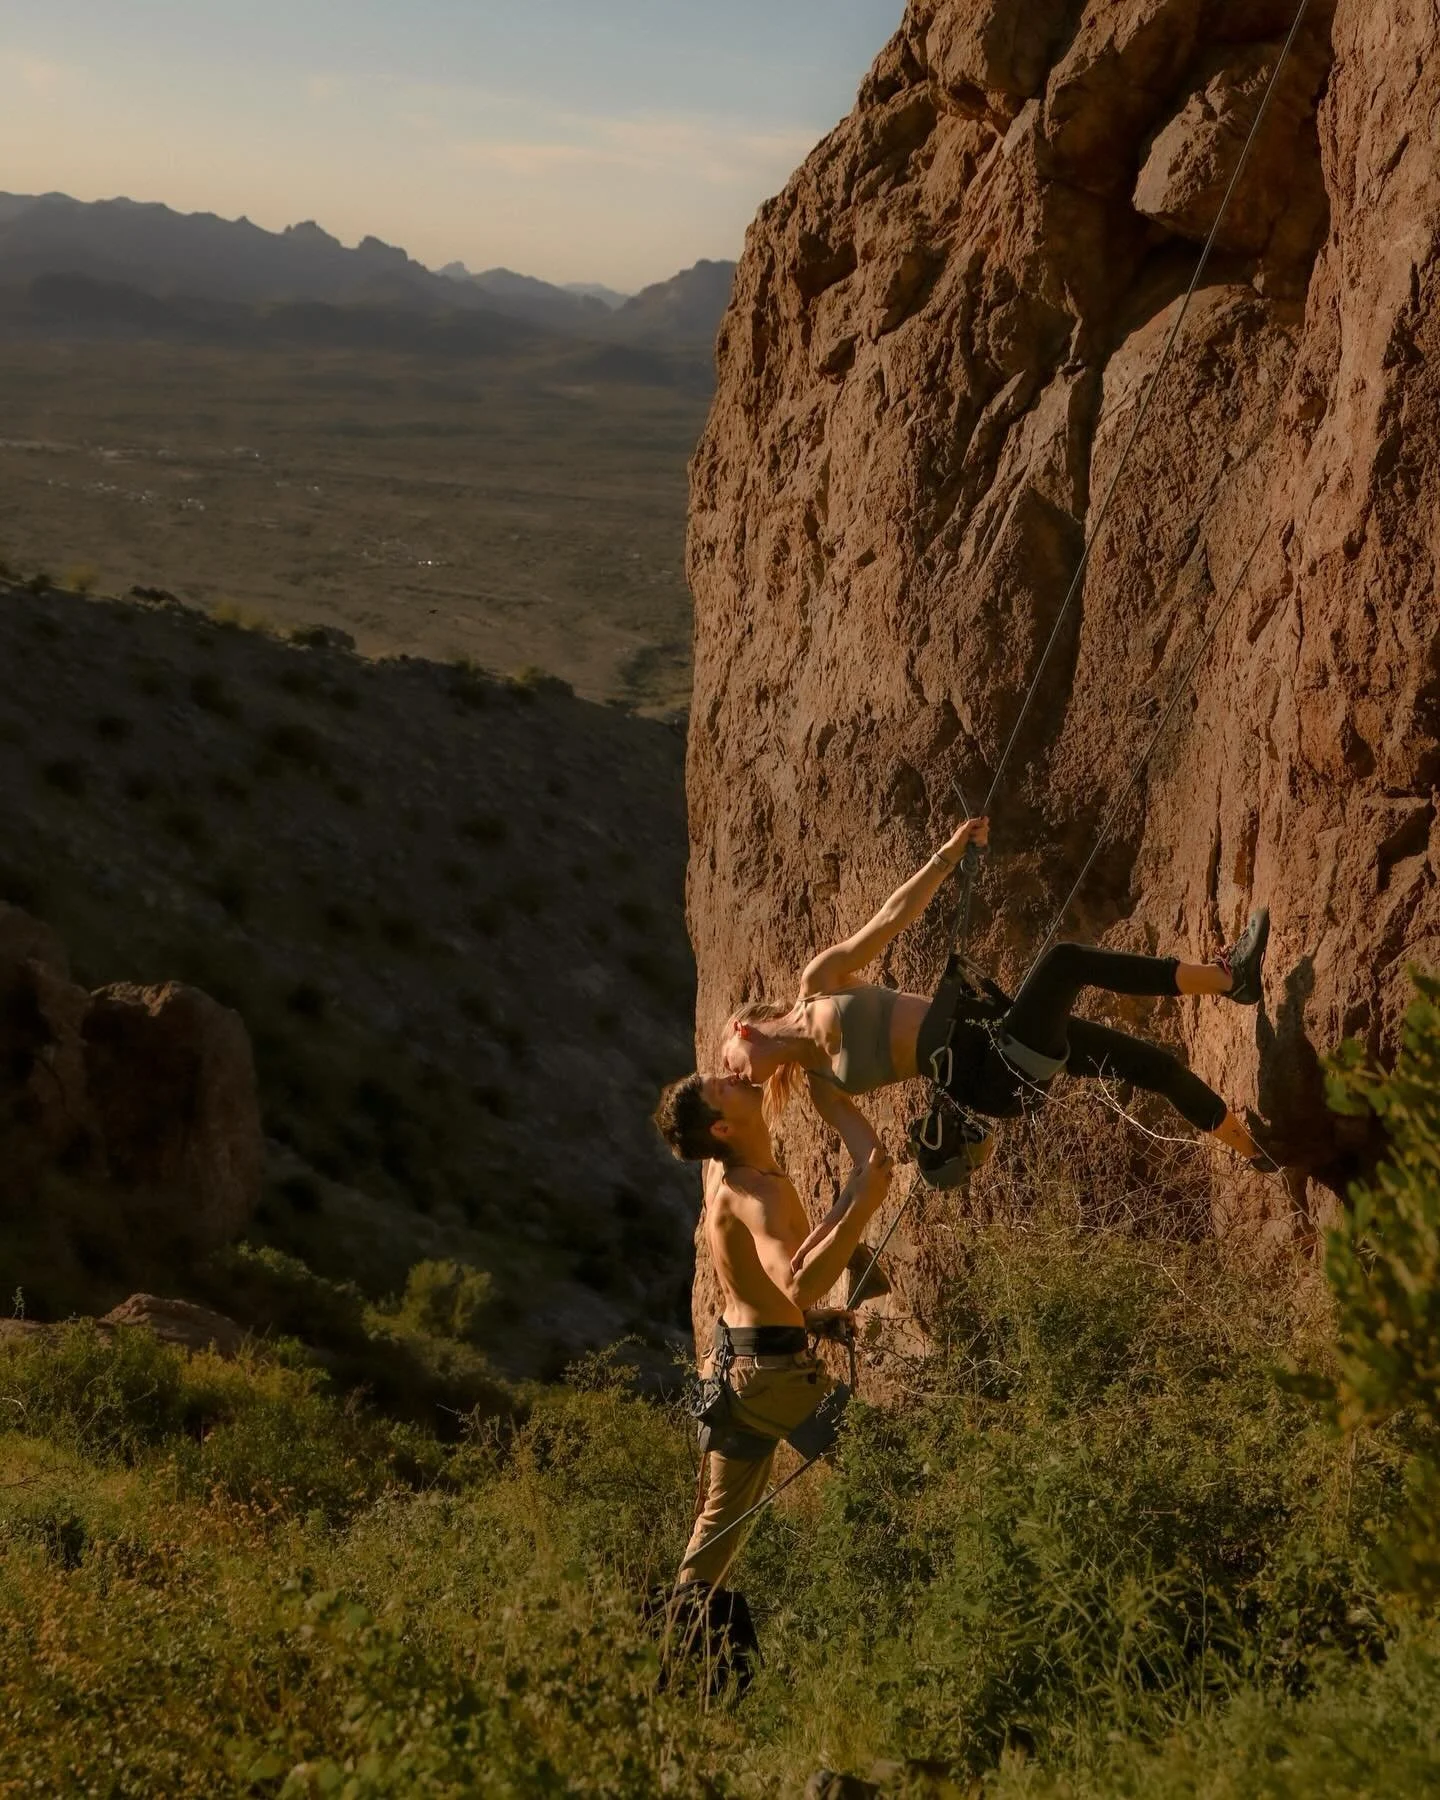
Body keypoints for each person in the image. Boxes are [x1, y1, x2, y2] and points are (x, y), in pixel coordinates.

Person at [717, 816, 1275, 1170]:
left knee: (1153, 1066)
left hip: (997, 1038)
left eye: (727, 1063)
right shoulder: (823, 1089)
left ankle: (1257, 1152)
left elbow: (888, 920)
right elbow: (871, 1163)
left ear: (743, 1031)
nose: (736, 1075)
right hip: (992, 1077)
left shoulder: (816, 985)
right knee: (1065, 962)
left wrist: (948, 854)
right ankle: (1229, 979)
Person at [652, 1070, 891, 1601]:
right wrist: (865, 1200)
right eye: (722, 1088)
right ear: (721, 1129)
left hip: (730, 1370)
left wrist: (808, 1322)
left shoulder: (725, 1176)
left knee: (714, 1533)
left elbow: (756, 1284)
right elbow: (797, 1283)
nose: (733, 1077)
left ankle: (679, 1654)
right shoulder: (755, 1193)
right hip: (771, 1381)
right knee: (892, 1460)